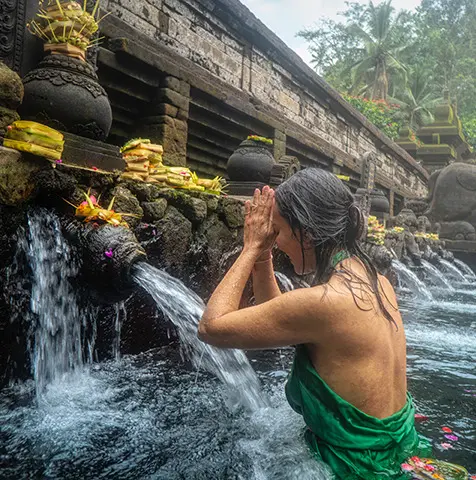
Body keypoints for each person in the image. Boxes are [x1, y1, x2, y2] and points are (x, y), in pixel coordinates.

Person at [198, 168, 430, 479]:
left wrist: (251, 247)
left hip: (354, 469)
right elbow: (277, 316)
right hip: (402, 454)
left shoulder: (326, 303)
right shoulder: (376, 281)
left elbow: (211, 327)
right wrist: (264, 257)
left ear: (306, 234)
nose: (275, 242)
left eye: (277, 231)